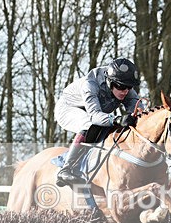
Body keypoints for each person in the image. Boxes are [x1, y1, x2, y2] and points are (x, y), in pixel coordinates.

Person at [54, 57, 141, 187]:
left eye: (129, 87)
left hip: (93, 112)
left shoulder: (124, 85)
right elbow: (95, 116)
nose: (125, 91)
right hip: (68, 108)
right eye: (122, 87)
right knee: (88, 124)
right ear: (110, 81)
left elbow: (138, 110)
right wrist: (117, 119)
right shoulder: (90, 84)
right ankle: (66, 169)